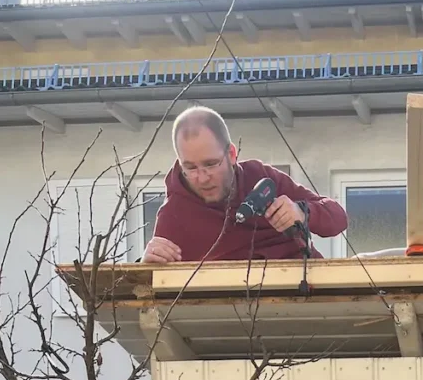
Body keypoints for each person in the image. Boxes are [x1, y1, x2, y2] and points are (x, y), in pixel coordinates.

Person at [141, 106, 348, 263]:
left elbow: (338, 218)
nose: (202, 178)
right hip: (227, 313)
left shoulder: (260, 177)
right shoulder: (174, 214)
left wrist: (302, 212)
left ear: (231, 154)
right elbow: (157, 290)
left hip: (304, 296)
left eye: (211, 164)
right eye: (190, 168)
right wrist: (147, 264)